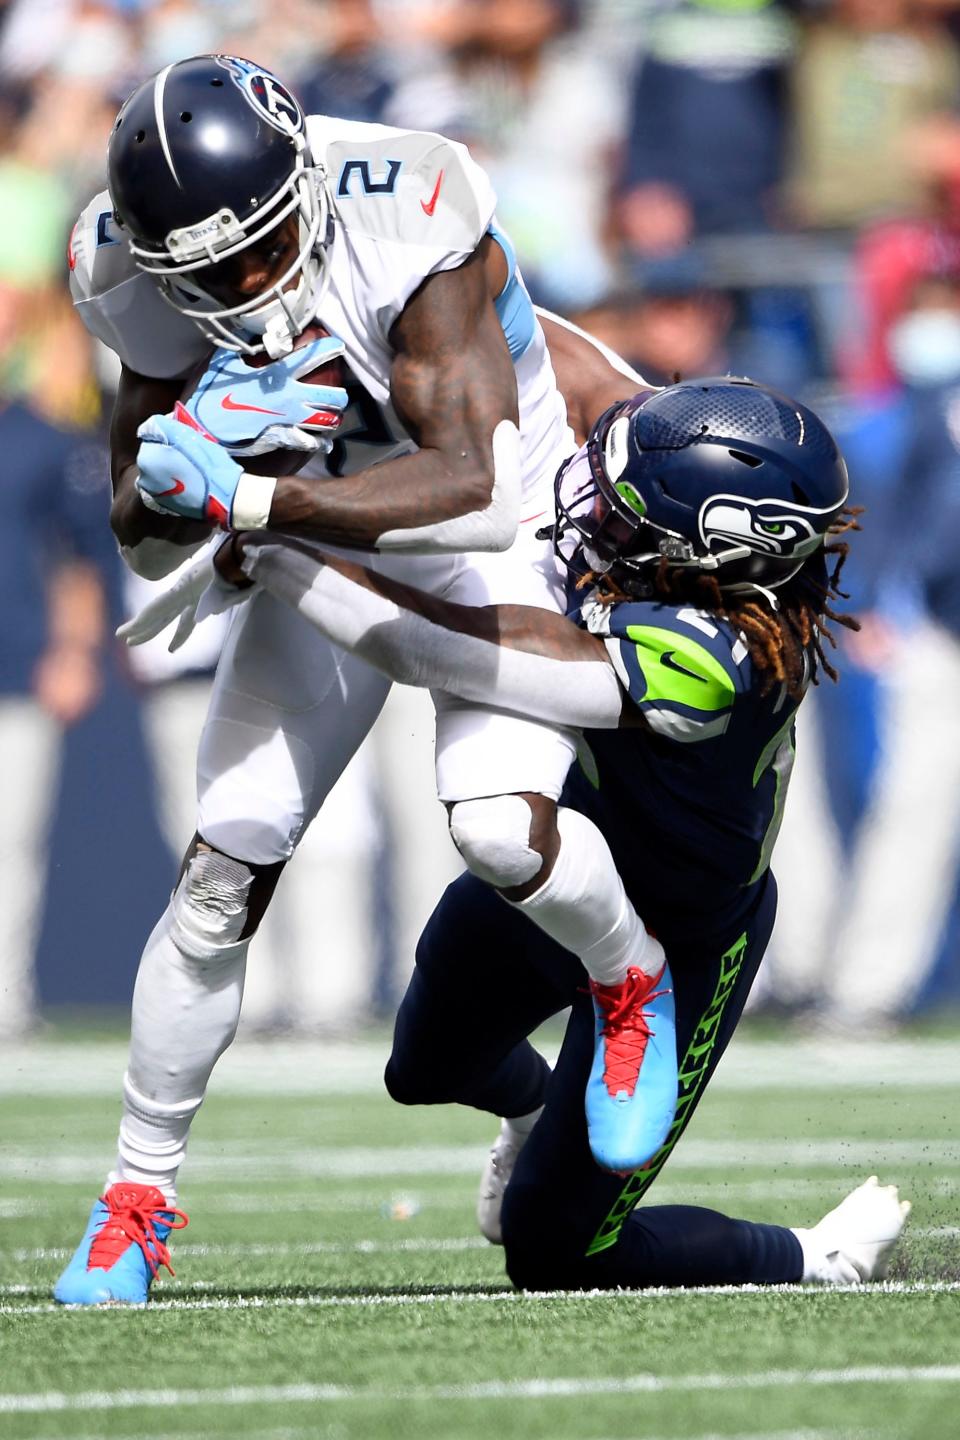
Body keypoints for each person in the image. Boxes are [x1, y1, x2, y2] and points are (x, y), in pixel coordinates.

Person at [55, 53, 667, 1305]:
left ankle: (627, 979)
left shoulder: (414, 204)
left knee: (499, 831)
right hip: (314, 553)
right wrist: (181, 468)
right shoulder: (132, 266)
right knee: (224, 869)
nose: (243, 288)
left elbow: (478, 491)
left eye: (262, 250)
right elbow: (137, 523)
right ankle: (137, 1192)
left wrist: (256, 491)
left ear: (306, 185)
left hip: (505, 538)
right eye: (206, 276)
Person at [127, 373, 912, 1289]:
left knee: (555, 1252)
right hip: (559, 885)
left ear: (718, 551)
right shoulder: (678, 567)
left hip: (685, 934)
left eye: (622, 519)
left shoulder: (715, 653)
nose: (589, 520)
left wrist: (271, 533)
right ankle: (540, 1110)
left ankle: (817, 1259)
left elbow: (445, 647)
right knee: (422, 1065)